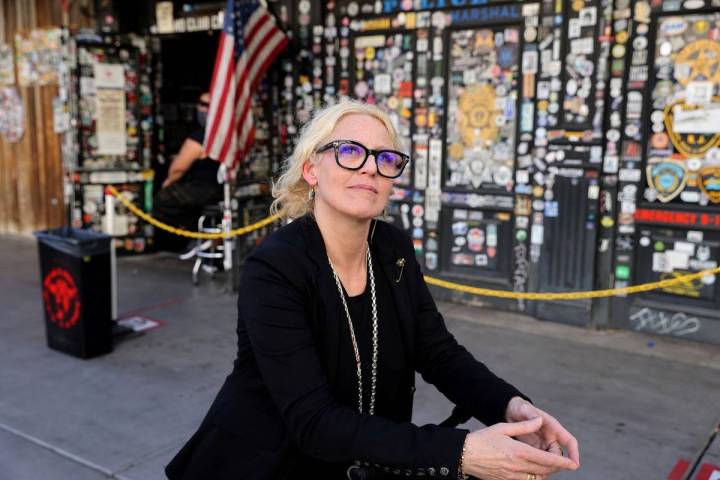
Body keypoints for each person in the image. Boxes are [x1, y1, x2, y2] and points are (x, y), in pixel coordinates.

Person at [165, 100, 580, 480]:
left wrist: (513, 408)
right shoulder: (275, 268)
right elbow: (314, 422)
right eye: (349, 151)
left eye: (385, 158)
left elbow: (438, 352)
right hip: (268, 467)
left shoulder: (392, 248)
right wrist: (461, 451)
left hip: (369, 463)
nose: (369, 168)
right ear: (312, 169)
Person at [153, 92, 223, 250]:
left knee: (162, 201)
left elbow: (178, 168)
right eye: (202, 104)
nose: (204, 110)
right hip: (218, 190)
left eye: (209, 106)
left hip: (204, 189)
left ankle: (186, 240)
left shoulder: (200, 137)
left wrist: (168, 182)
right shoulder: (222, 133)